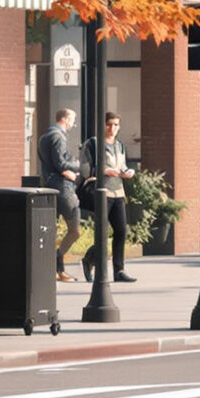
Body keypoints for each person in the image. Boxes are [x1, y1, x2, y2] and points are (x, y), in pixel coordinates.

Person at [84, 111, 135, 283]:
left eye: (115, 125)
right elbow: (83, 169)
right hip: (102, 191)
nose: (112, 128)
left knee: (121, 230)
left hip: (118, 191)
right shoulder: (93, 144)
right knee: (102, 231)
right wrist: (103, 171)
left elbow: (122, 166)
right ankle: (90, 259)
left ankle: (119, 270)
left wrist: (127, 172)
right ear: (103, 125)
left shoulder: (120, 145)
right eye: (109, 124)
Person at [38, 109, 84, 282]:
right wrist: (77, 164)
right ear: (65, 120)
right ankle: (57, 259)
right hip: (62, 188)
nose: (74, 124)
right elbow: (61, 162)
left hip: (49, 185)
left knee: (52, 229)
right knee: (75, 230)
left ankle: (57, 269)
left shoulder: (44, 137)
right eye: (73, 120)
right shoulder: (58, 137)